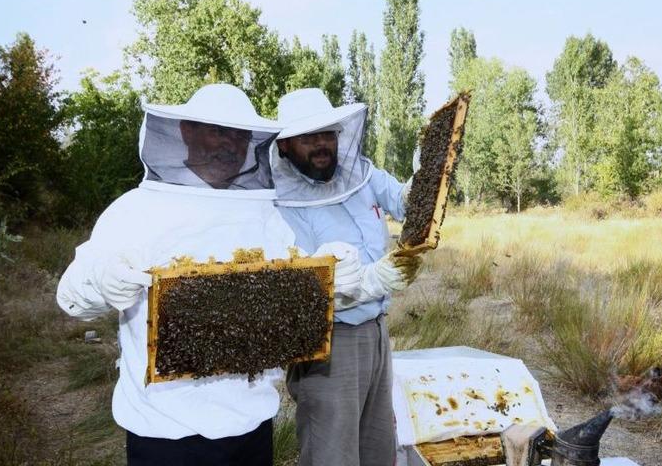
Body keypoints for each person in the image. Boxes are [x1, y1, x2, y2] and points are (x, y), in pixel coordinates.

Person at [56, 84, 358, 466]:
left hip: (251, 425)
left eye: (240, 134)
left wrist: (333, 280)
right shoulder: (135, 211)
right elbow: (69, 297)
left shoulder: (266, 215)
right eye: (218, 130)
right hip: (164, 431)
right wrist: (98, 281)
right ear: (185, 131)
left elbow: (295, 302)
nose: (229, 144)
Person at [271, 88, 422, 466]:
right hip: (328, 346)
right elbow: (306, 282)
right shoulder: (278, 207)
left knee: (377, 446)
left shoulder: (361, 173)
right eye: (309, 137)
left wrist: (427, 176)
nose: (322, 145)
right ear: (285, 146)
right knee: (333, 454)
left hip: (377, 333)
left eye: (328, 134)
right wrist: (374, 280)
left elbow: (406, 203)